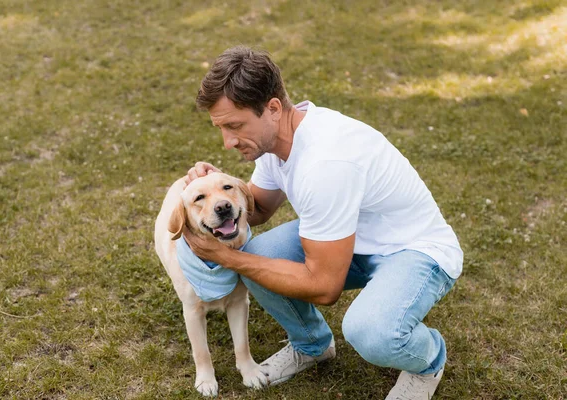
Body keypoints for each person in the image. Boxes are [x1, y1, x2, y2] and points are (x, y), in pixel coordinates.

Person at [182, 46, 463, 399]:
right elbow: (257, 211)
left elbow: (324, 286)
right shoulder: (278, 137)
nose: (227, 142)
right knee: (259, 251)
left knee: (370, 330)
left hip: (415, 252)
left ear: (272, 108)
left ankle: (429, 360)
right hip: (349, 239)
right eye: (221, 128)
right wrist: (212, 193)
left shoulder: (325, 163)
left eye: (235, 126)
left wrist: (230, 259)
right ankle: (312, 345)